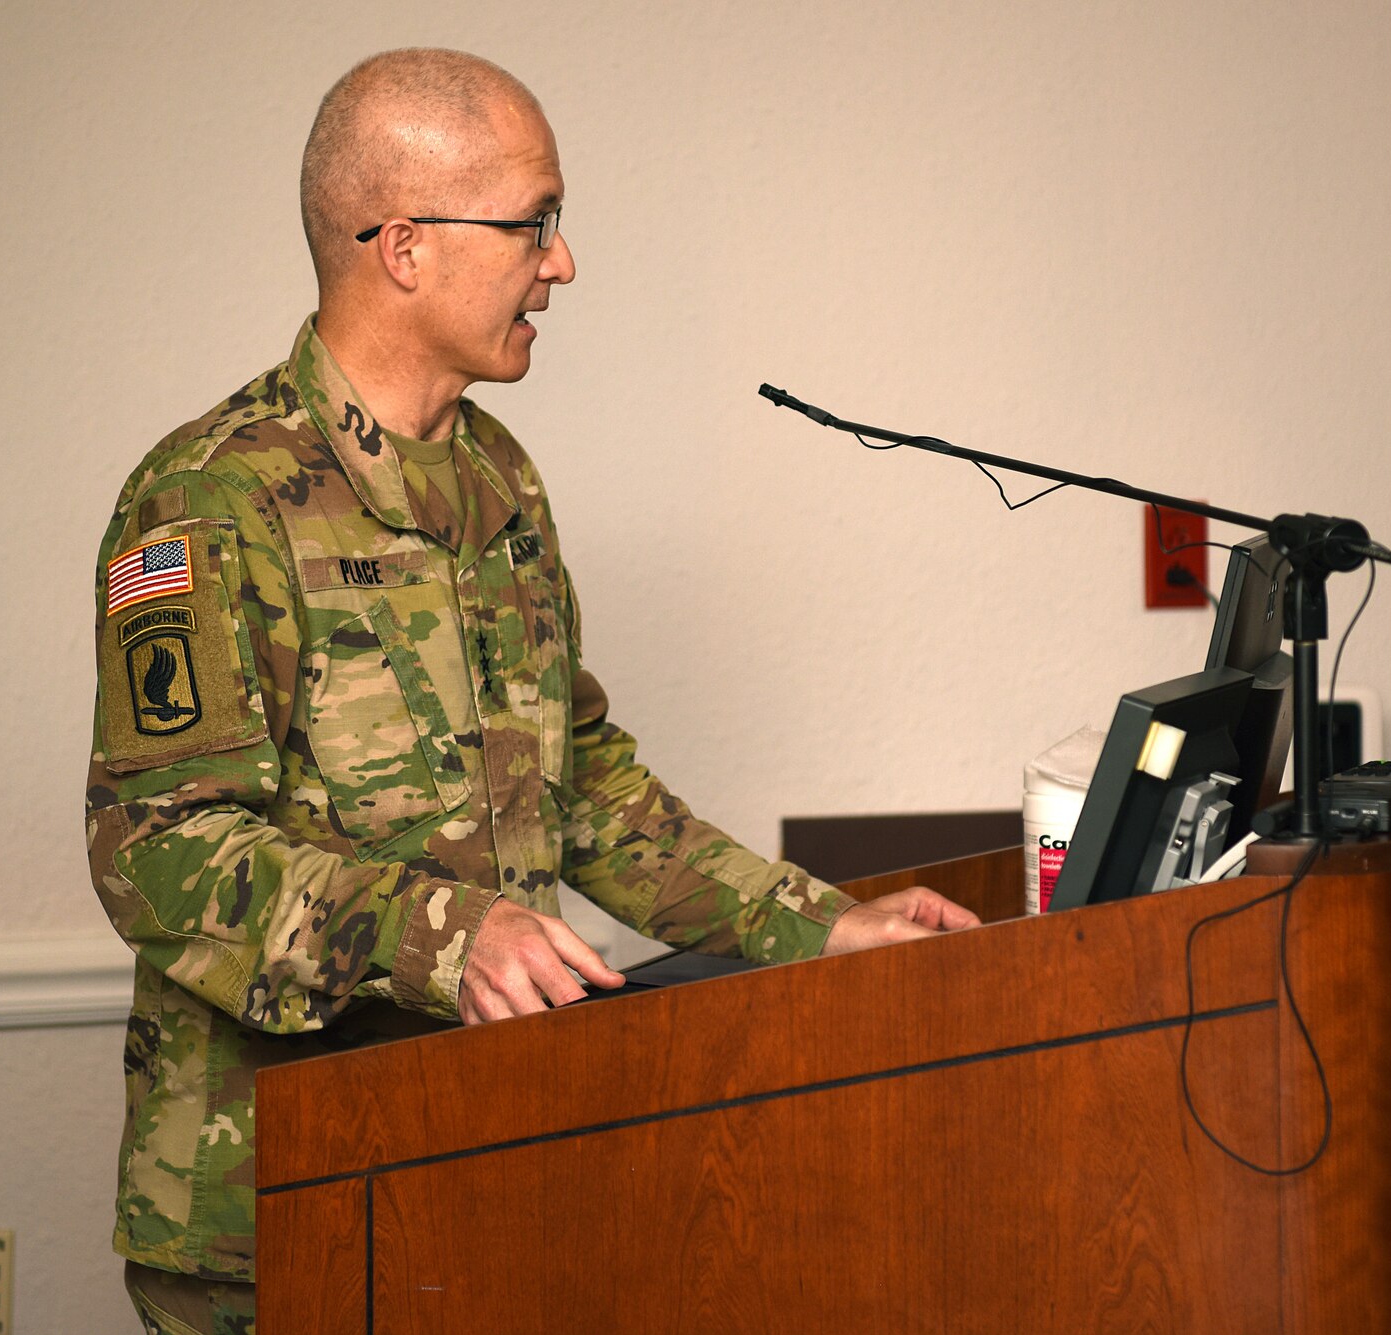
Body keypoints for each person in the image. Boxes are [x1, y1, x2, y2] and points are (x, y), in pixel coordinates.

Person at [85, 48, 977, 1335]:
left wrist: (822, 930)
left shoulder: (499, 478)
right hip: (275, 1217)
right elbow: (157, 853)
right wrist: (449, 936)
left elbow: (587, 787)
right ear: (402, 245)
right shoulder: (206, 498)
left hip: (488, 1167)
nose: (561, 263)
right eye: (533, 223)